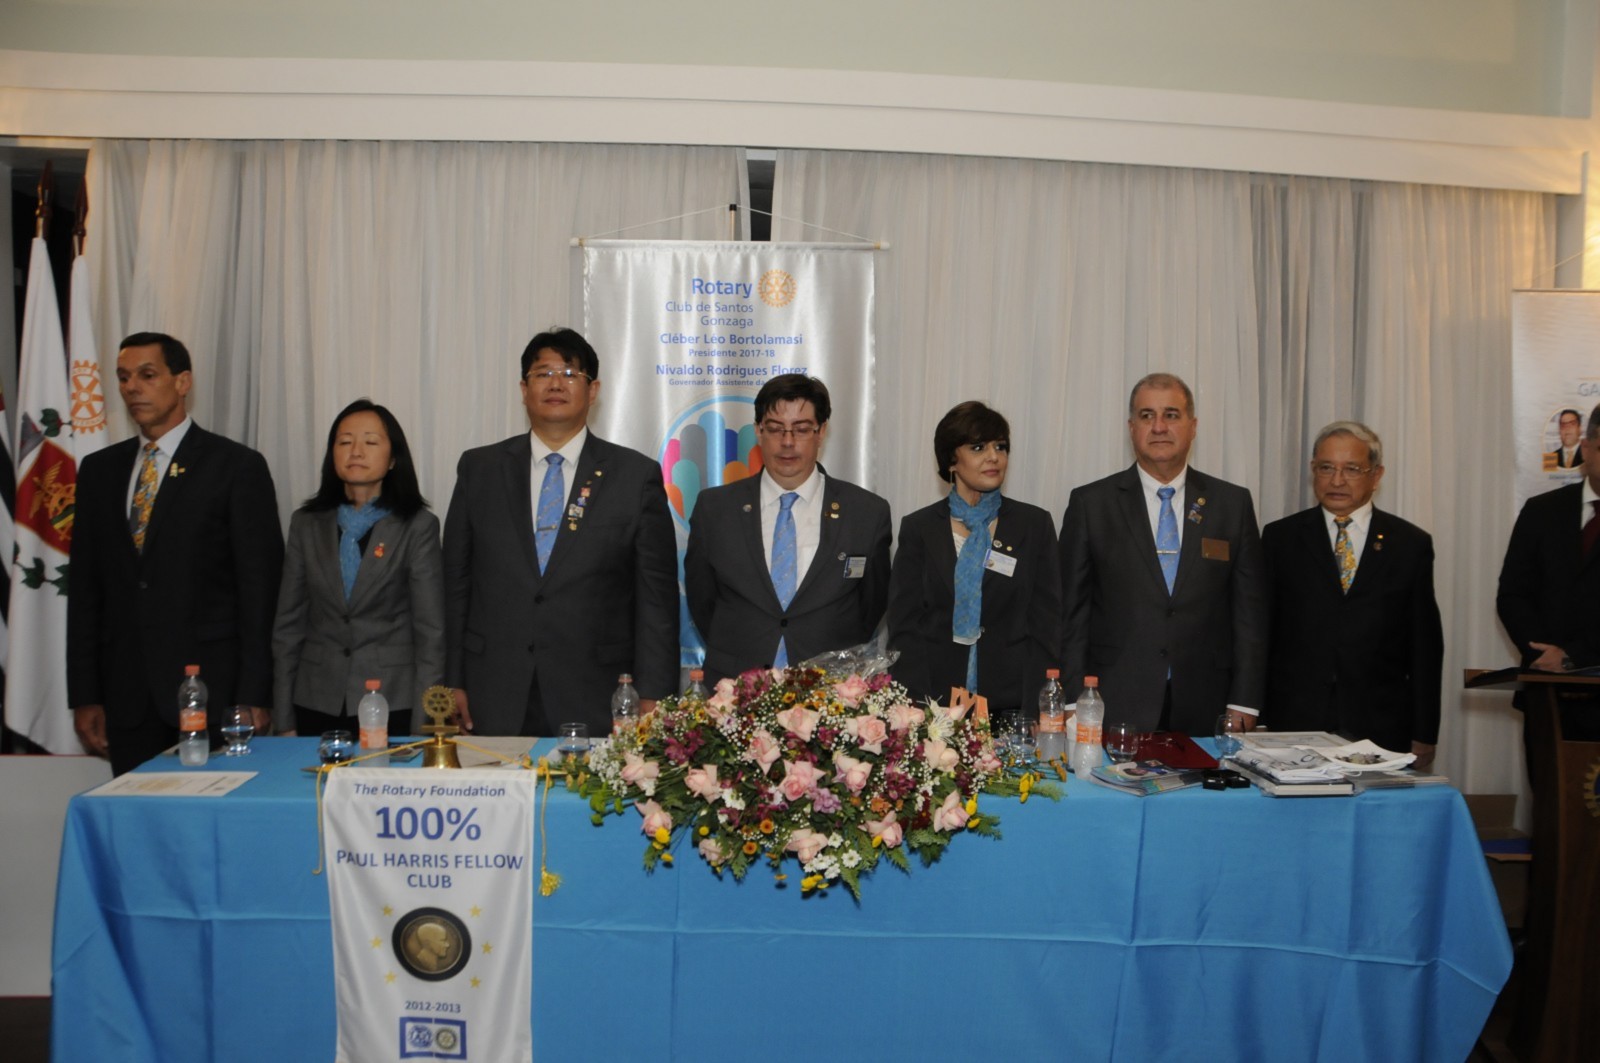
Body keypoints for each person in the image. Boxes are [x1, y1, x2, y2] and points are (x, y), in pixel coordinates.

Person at [442, 327, 678, 736]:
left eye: (570, 374)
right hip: (492, 688)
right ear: (524, 388)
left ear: (593, 390)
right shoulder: (479, 470)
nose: (556, 383)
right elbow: (455, 585)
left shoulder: (634, 476)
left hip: (597, 690)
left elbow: (656, 599)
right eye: (543, 373)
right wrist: (452, 680)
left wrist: (654, 694)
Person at [67, 332, 284, 775]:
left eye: (147, 375)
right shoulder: (99, 471)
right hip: (126, 698)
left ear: (183, 382)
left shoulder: (235, 466)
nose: (132, 387)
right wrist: (86, 694)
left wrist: (255, 693)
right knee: (137, 815)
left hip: (213, 693)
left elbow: (260, 592)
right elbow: (86, 591)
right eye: (123, 377)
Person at [1058, 372, 1267, 735]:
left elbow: (1250, 613)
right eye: (1146, 416)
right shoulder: (1091, 504)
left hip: (1209, 702)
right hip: (1113, 699)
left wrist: (1244, 700)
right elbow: (1070, 613)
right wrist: (1073, 701)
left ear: (1193, 426)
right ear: (1131, 428)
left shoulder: (1232, 504)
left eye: (1171, 415)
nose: (1158, 427)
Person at [685, 373, 891, 683]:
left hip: (832, 692)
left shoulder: (866, 512)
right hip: (735, 687)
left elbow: (870, 608)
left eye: (802, 429)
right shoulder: (715, 509)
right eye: (775, 428)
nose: (787, 442)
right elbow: (703, 602)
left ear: (822, 431)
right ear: (758, 430)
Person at [1260, 422, 1444, 766]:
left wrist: (1425, 731)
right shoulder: (1280, 538)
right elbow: (1260, 633)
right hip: (1293, 720)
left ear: (1376, 475)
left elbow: (1425, 647)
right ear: (1313, 471)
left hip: (1380, 723)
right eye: (1326, 468)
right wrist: (1256, 713)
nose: (1337, 480)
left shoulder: (1409, 544)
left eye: (1352, 469)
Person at [271, 400, 443, 738]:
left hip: (392, 699)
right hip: (315, 698)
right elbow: (288, 627)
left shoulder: (417, 526)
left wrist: (424, 727)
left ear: (393, 459)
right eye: (345, 441)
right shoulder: (306, 524)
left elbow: (430, 634)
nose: (356, 452)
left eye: (371, 442)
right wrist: (284, 718)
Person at [887, 401, 1061, 712]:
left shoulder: (1033, 525)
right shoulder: (920, 529)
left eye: (1000, 446)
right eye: (979, 447)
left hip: (1013, 705)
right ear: (951, 460)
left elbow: (1047, 625)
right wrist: (915, 707)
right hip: (936, 706)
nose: (994, 456)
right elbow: (905, 629)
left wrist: (1038, 707)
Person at [1498, 401, 1600, 744]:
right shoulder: (1542, 511)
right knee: (1550, 781)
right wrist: (1546, 655)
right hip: (1547, 696)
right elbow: (1513, 594)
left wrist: (1574, 656)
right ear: (1586, 448)